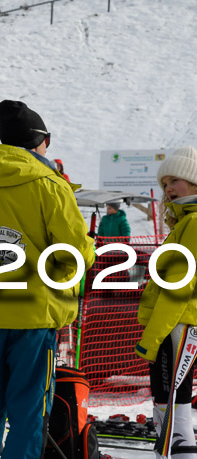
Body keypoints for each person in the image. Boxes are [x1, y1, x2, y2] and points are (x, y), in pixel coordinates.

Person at [0, 100, 95, 458]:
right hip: (32, 315)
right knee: (27, 413)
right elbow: (73, 252)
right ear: (39, 141)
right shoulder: (50, 184)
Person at [135, 146, 197, 457]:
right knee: (168, 399)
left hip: (177, 325)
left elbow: (178, 287)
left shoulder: (194, 223)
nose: (169, 188)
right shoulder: (182, 224)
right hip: (174, 324)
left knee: (173, 402)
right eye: (165, 184)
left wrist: (153, 336)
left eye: (176, 180)